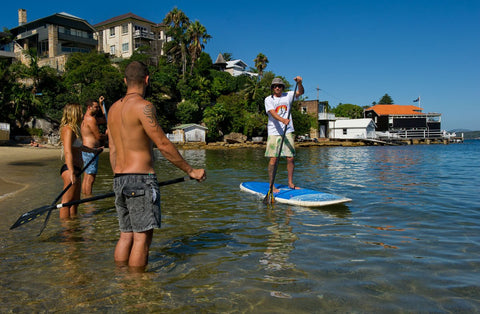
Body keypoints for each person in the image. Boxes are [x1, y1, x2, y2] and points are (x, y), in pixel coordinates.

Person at [107, 61, 206, 271]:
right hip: (141, 179)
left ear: (125, 81)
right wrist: (191, 170)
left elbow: (113, 148)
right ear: (147, 80)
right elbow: (163, 144)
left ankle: (121, 281)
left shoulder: (113, 109)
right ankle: (138, 290)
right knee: (142, 239)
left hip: (119, 178)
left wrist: (119, 176)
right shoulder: (144, 107)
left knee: (126, 235)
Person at [59, 103, 99, 219]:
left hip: (77, 170)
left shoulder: (74, 129)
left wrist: (94, 151)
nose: (82, 114)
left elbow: (79, 147)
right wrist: (71, 172)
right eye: (80, 112)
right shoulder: (68, 129)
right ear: (74, 113)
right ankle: (66, 231)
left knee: (75, 202)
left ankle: (73, 228)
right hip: (70, 170)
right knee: (66, 203)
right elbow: (67, 151)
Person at [264, 76, 304, 193]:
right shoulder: (268, 99)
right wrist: (282, 120)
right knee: (273, 159)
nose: (278, 88)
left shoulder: (288, 95)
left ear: (282, 88)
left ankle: (290, 183)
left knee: (290, 158)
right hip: (274, 132)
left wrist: (300, 83)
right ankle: (271, 185)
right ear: (272, 88)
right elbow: (272, 113)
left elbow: (300, 92)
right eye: (275, 86)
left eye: (280, 86)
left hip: (287, 131)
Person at [81, 97, 107, 195]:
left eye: (98, 107)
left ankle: (85, 199)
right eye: (96, 107)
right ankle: (88, 202)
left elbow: (105, 119)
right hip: (91, 151)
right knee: (90, 178)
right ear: (89, 107)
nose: (98, 109)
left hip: (86, 150)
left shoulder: (87, 118)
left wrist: (101, 104)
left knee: (87, 177)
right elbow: (98, 137)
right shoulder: (91, 120)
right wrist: (107, 135)